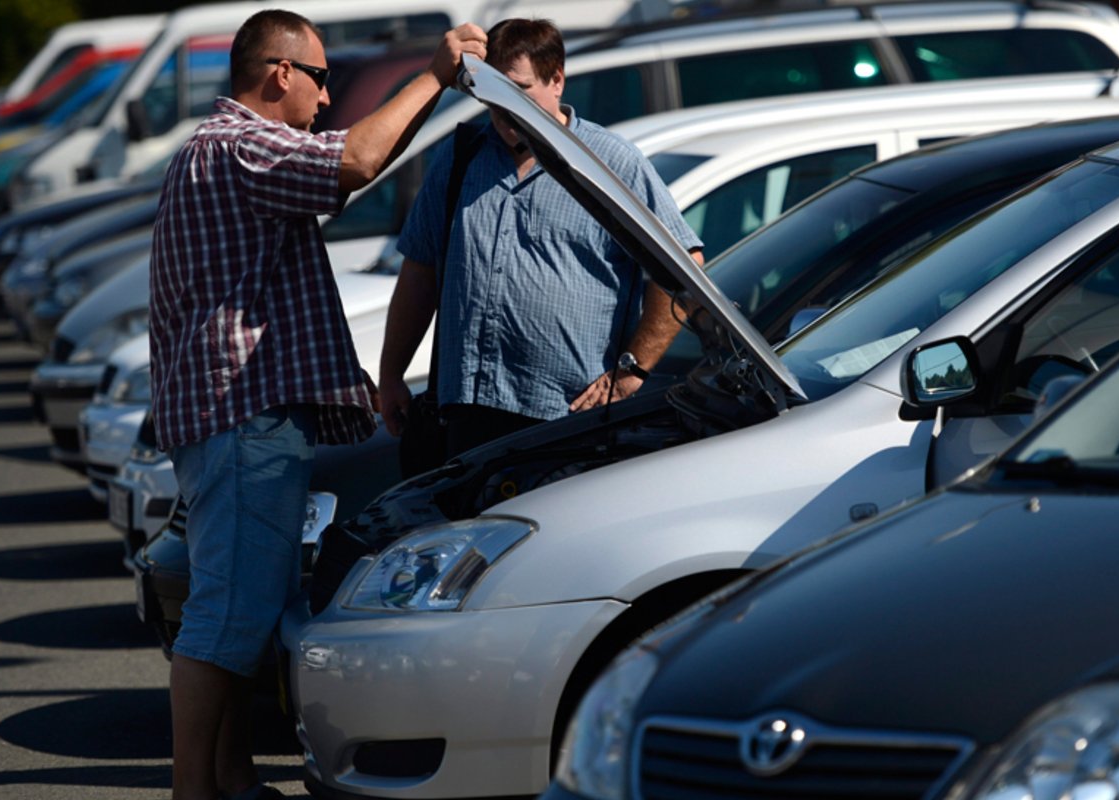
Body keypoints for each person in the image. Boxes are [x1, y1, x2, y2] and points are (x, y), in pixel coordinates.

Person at [147, 11, 485, 800]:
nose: (328, 97)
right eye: (323, 78)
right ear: (279, 74)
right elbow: (357, 160)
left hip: (239, 420)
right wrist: (434, 75)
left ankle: (229, 781)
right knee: (225, 619)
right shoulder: (241, 144)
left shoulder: (216, 150)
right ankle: (195, 790)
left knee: (243, 615)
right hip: (243, 422)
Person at [377, 17, 703, 459]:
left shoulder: (610, 165)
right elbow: (421, 270)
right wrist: (392, 372)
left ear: (557, 82)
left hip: (565, 420)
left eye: (520, 89)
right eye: (491, 89)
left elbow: (684, 271)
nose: (503, 106)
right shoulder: (460, 156)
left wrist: (630, 371)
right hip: (467, 414)